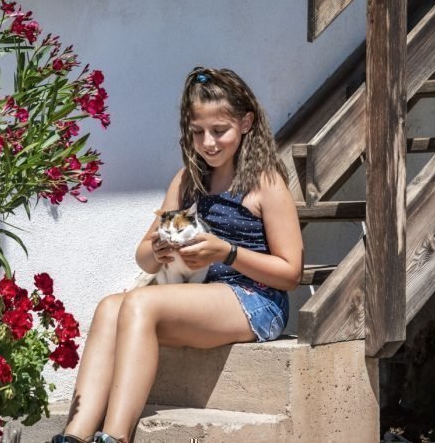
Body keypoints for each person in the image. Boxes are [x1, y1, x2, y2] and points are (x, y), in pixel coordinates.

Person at [51, 67, 303, 443]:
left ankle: (115, 437)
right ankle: (75, 436)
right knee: (108, 307)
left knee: (141, 303)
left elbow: (290, 273)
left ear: (246, 122)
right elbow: (144, 257)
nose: (209, 142)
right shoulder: (187, 180)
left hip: (255, 300)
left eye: (220, 131)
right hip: (198, 299)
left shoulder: (265, 182)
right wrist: (159, 249)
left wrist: (227, 253)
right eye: (198, 132)